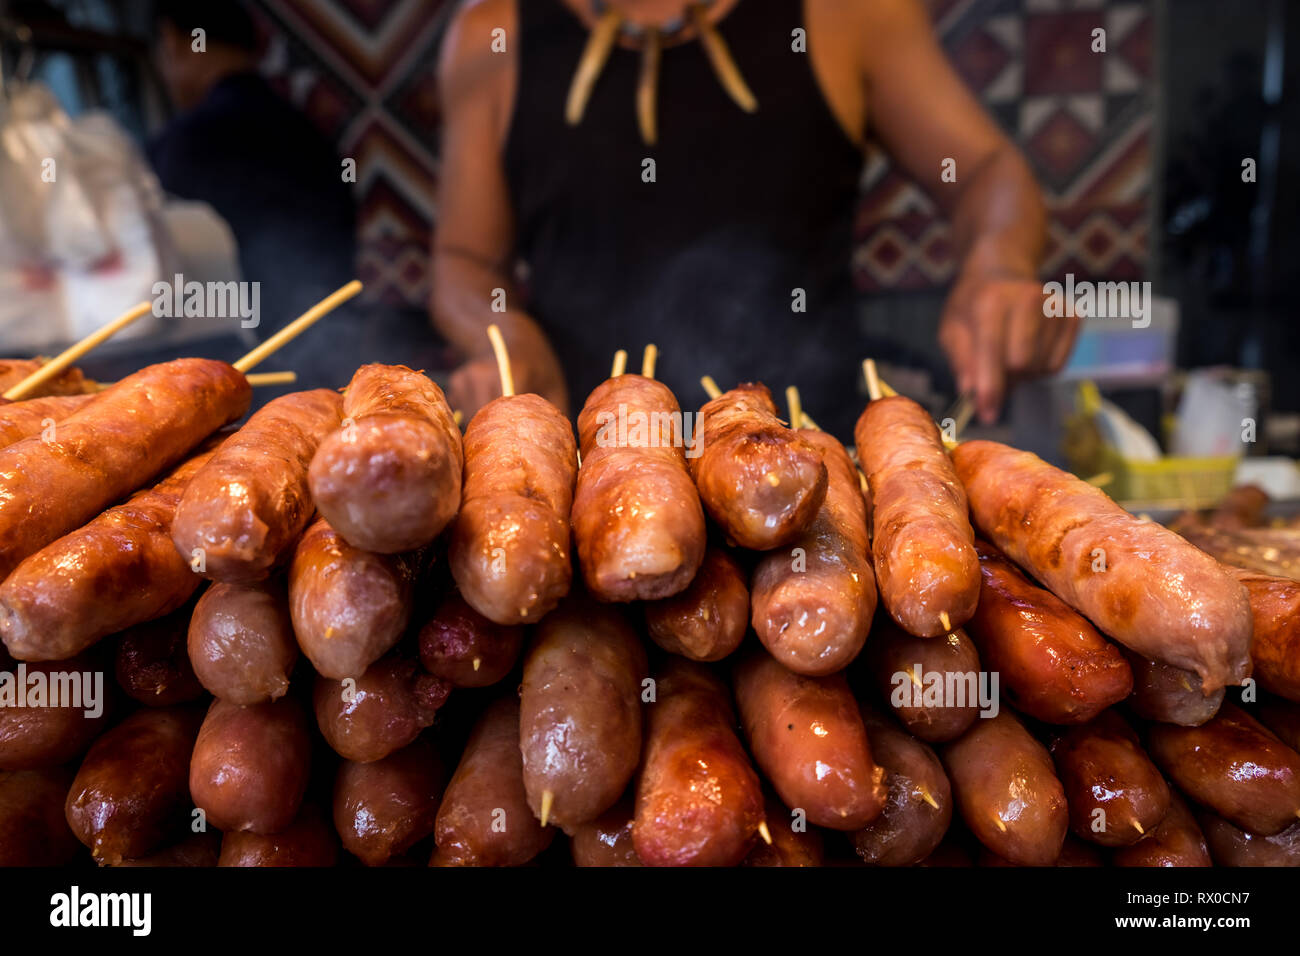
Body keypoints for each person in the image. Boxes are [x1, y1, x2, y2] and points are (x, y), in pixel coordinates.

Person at [433, 0, 1075, 435]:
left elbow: (984, 174)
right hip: (583, 470)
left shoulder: (846, 14)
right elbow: (465, 262)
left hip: (815, 461)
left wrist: (998, 263)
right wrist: (501, 333)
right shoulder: (492, 34)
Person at [148, 0, 357, 334]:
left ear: (171, 40)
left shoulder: (185, 142)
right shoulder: (309, 130)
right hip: (336, 332)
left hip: (250, 345)